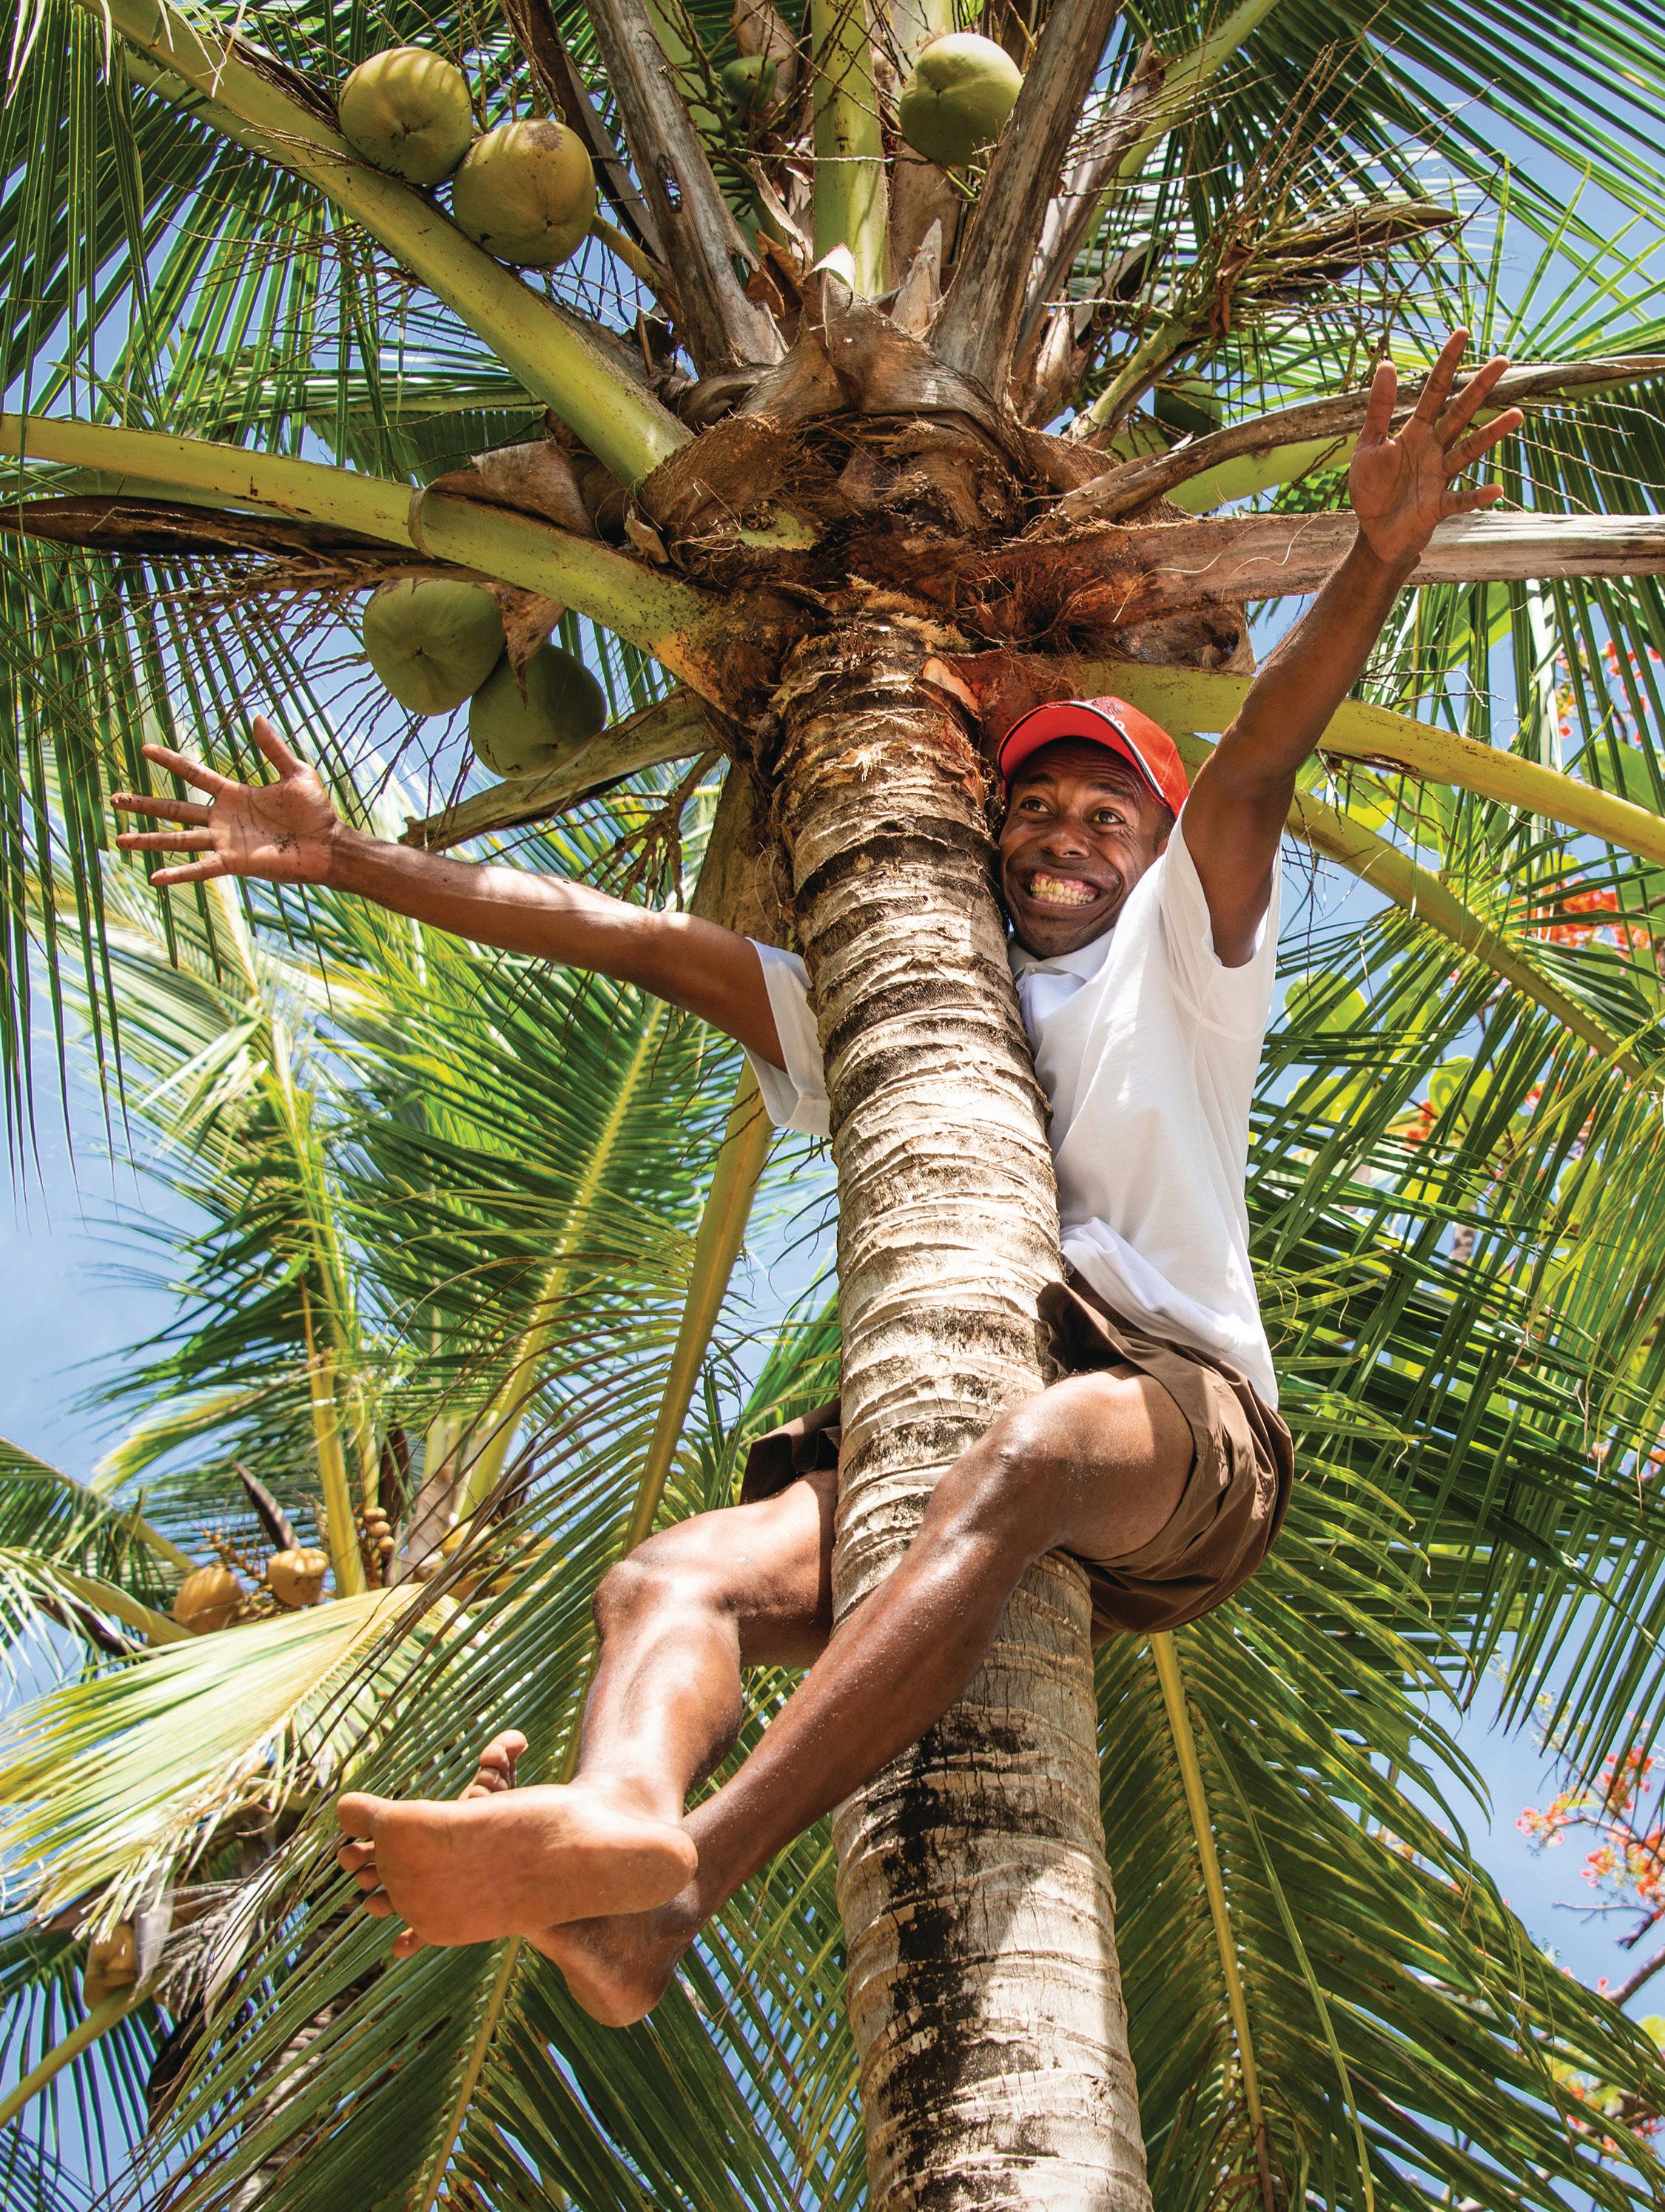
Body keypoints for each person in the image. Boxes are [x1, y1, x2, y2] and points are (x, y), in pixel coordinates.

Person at [113, 330, 1522, 2025]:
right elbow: (631, 937)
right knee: (667, 1579)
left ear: (1156, 855)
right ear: (984, 834)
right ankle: (616, 1820)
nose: (1065, 837)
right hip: (946, 1429)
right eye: (1037, 810)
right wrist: (351, 857)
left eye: (1106, 818)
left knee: (1030, 1448)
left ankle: (686, 1883)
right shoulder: (914, 995)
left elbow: (1264, 759)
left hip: (1180, 1424)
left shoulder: (1189, 964)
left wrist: (1377, 555)